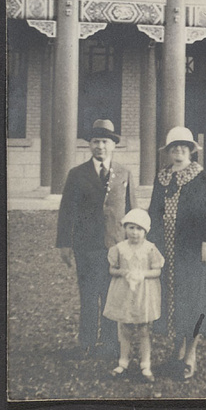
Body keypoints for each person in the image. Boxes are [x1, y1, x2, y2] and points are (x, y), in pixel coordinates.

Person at [56, 119, 137, 358]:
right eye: (95, 141)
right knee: (89, 295)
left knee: (112, 296)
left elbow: (133, 210)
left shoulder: (124, 173)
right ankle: (87, 343)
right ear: (89, 145)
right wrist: (64, 244)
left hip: (115, 246)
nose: (100, 146)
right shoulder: (77, 174)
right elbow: (66, 211)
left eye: (105, 141)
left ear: (113, 145)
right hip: (86, 246)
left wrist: (134, 244)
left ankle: (110, 344)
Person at [147, 126, 206, 380]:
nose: (178, 152)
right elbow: (153, 212)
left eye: (183, 148)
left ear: (191, 150)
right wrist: (150, 243)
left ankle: (191, 353)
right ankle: (176, 352)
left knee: (194, 298)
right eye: (173, 148)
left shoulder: (199, 177)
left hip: (192, 249)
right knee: (172, 298)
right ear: (168, 153)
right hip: (167, 250)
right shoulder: (162, 177)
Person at [103, 208, 164, 382]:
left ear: (145, 231)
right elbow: (112, 269)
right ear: (125, 228)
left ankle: (146, 365)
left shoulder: (150, 249)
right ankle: (123, 362)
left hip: (143, 294)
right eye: (131, 227)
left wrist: (142, 274)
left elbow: (157, 271)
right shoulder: (120, 249)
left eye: (139, 229)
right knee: (125, 328)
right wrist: (123, 272)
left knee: (144, 329)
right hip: (125, 293)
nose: (134, 233)